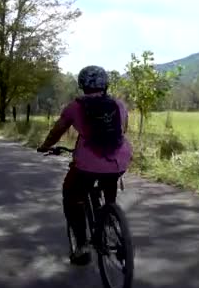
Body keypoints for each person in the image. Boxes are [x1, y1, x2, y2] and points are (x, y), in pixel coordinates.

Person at [37, 65, 132, 265]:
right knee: (109, 180)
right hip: (119, 160)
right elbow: (122, 130)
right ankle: (110, 216)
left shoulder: (75, 107)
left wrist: (45, 145)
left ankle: (81, 246)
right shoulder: (119, 105)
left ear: (82, 85)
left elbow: (57, 131)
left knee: (71, 194)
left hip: (88, 163)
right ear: (105, 83)